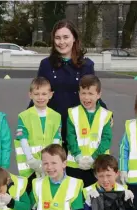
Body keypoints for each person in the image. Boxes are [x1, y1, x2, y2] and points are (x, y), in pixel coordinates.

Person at [34, 19, 107, 149]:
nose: (61, 42)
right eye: (57, 38)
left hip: (78, 125)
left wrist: (105, 113)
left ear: (74, 38)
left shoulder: (86, 65)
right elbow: (38, 92)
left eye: (66, 37)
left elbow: (92, 93)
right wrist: (28, 116)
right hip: (52, 125)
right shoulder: (46, 64)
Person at [66, 75, 112, 187]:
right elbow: (70, 136)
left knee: (94, 200)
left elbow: (106, 140)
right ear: (79, 93)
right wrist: (78, 156)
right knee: (75, 199)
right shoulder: (73, 113)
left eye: (90, 94)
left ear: (99, 95)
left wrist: (93, 158)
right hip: (75, 166)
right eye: (83, 93)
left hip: (97, 166)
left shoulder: (105, 115)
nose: (86, 98)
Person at [14, 76, 62, 182]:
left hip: (50, 166)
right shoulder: (24, 116)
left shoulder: (56, 116)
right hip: (29, 167)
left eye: (44, 94)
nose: (40, 97)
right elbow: (23, 139)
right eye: (36, 94)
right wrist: (31, 160)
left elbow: (56, 140)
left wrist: (51, 160)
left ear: (50, 95)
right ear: (30, 95)